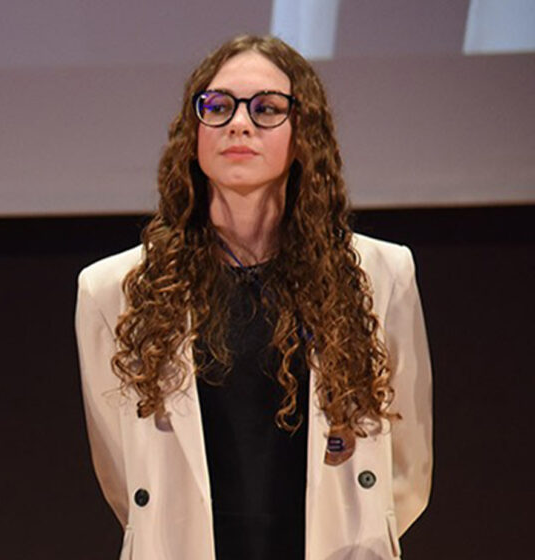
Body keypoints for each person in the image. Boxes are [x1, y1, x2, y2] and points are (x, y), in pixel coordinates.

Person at [75, 35, 431, 560]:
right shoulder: (114, 290)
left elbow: (407, 460)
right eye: (217, 107)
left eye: (266, 108)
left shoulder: (380, 275)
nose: (239, 123)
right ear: (193, 133)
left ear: (302, 133)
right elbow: (124, 474)